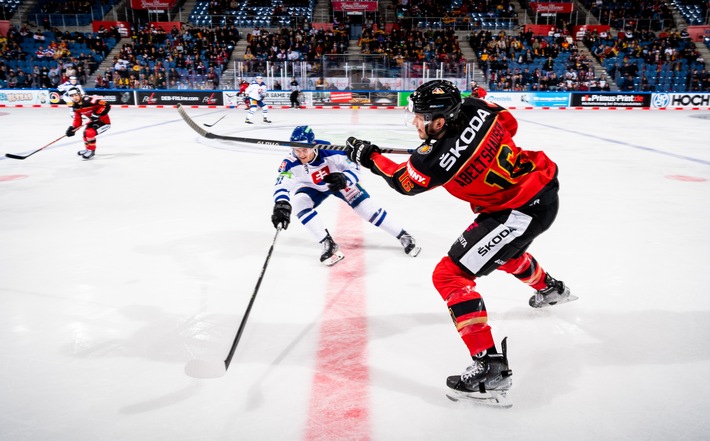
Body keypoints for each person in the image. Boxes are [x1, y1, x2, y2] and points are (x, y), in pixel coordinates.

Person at [344, 79, 575, 404]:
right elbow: (511, 124)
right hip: (540, 185)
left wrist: (369, 157)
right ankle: (550, 288)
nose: (414, 121)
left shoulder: (432, 161)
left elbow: (404, 183)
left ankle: (490, 368)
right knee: (502, 254)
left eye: (420, 116)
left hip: (519, 210)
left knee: (450, 275)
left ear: (439, 120)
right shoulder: (478, 108)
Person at [271, 125, 421, 266]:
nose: (301, 154)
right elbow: (282, 183)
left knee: (366, 209)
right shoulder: (290, 162)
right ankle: (327, 243)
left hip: (336, 182)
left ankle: (403, 235)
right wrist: (281, 203)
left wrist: (345, 178)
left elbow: (354, 168)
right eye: (296, 150)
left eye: (304, 149)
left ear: (313, 144)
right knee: (299, 203)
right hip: (311, 187)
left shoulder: (330, 150)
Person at [64, 87, 111, 160]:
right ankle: (88, 149)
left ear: (79, 94)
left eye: (75, 95)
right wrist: (73, 128)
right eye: (72, 96)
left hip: (104, 122)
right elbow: (77, 119)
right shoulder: (75, 106)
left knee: (89, 132)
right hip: (93, 121)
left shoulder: (89, 100)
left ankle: (91, 151)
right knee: (85, 134)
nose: (74, 97)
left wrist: (97, 114)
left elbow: (106, 105)